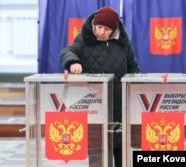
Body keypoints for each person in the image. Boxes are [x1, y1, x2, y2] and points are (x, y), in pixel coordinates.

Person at [59, 6, 140, 167]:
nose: (101, 32)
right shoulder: (84, 39)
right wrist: (73, 61)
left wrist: (135, 87)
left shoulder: (123, 43)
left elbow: (133, 67)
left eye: (106, 29)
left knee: (121, 151)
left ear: (114, 29)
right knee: (97, 152)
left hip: (119, 104)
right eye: (99, 27)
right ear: (94, 25)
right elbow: (67, 52)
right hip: (95, 104)